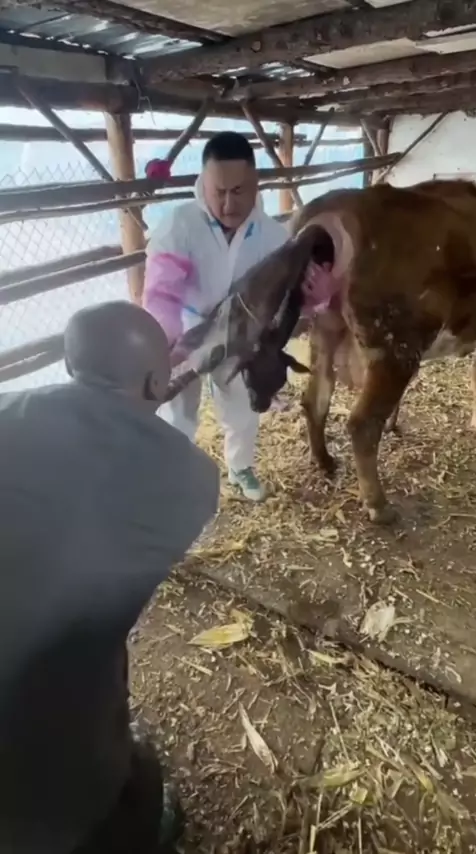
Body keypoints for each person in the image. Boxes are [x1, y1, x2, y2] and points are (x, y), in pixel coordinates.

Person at [0, 301, 219, 854]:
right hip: (39, 743)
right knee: (111, 794)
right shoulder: (189, 478)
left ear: (70, 365)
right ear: (156, 382)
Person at [143, 131, 289, 501]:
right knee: (178, 408)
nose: (227, 203)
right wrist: (166, 339)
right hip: (186, 332)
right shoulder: (180, 224)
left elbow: (287, 293)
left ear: (255, 183)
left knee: (241, 404)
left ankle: (240, 468)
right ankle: (175, 469)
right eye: (218, 191)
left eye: (238, 191)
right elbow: (162, 291)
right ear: (203, 184)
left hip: (240, 332)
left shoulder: (272, 236)